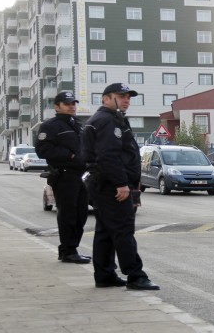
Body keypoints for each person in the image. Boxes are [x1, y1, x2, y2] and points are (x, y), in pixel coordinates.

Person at [82, 83, 159, 290]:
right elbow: (108, 156)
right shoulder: (107, 121)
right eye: (121, 96)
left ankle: (105, 274)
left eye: (128, 97)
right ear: (106, 98)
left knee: (106, 231)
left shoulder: (110, 119)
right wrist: (121, 183)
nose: (126, 100)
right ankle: (135, 275)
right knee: (123, 230)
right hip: (111, 185)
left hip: (104, 184)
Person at [35, 92, 91, 264]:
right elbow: (42, 150)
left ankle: (71, 248)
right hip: (64, 174)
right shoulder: (50, 126)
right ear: (57, 106)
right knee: (68, 214)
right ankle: (68, 251)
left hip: (79, 176)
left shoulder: (77, 124)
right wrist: (70, 156)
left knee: (81, 213)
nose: (72, 106)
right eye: (67, 104)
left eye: (73, 103)